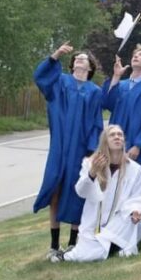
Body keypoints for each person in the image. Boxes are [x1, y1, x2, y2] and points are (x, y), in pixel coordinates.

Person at [33, 43, 104, 261]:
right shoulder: (60, 82)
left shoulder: (94, 92)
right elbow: (40, 78)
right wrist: (55, 55)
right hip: (60, 146)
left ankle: (73, 245)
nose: (80, 59)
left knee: (77, 193)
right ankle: (54, 246)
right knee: (55, 188)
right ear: (72, 65)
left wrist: (91, 152)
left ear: (90, 67)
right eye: (77, 58)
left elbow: (95, 123)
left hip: (80, 149)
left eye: (84, 58)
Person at [54, 125, 141, 262]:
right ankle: (69, 256)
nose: (117, 137)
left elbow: (139, 196)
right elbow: (81, 191)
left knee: (132, 223)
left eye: (120, 135)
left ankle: (107, 247)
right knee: (88, 253)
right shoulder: (90, 163)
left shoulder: (136, 169)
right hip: (95, 223)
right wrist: (92, 174)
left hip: (121, 222)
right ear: (105, 141)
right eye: (112, 135)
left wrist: (135, 210)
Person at [101, 45, 141, 218]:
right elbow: (106, 103)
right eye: (135, 54)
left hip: (138, 150)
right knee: (114, 188)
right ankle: (112, 230)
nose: (136, 56)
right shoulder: (121, 85)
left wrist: (137, 146)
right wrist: (116, 75)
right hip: (116, 147)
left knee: (138, 189)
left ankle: (136, 231)